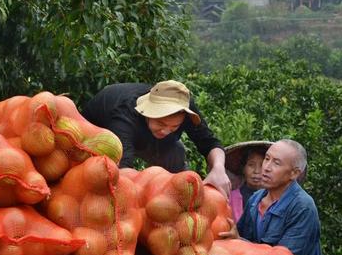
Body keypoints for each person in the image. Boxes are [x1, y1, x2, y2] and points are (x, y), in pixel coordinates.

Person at [82, 80, 231, 197]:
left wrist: (218, 169)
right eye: (160, 123)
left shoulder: (184, 108)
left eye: (174, 127)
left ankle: (177, 194)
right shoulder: (124, 118)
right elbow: (122, 171)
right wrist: (152, 191)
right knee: (102, 178)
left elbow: (209, 142)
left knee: (176, 151)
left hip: (144, 135)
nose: (166, 131)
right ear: (147, 111)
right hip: (96, 134)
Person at [219, 139, 324, 255]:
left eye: (276, 163)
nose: (266, 167)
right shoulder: (255, 201)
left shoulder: (302, 208)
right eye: (267, 159)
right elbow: (238, 244)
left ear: (294, 173)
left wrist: (239, 241)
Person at [224, 141, 271, 222]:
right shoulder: (230, 198)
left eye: (261, 165)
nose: (256, 171)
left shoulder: (275, 199)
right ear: (243, 168)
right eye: (251, 165)